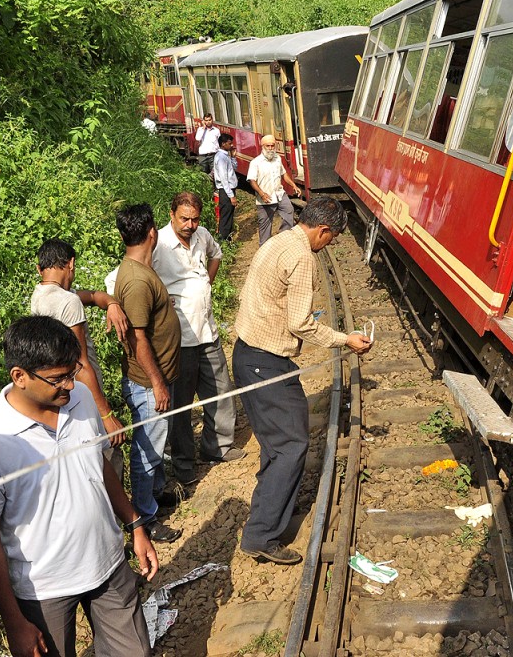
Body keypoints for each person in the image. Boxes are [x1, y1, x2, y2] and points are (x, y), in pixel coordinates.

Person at [0, 316, 158, 657]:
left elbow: (98, 465)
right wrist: (14, 622)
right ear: (19, 376)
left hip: (109, 564)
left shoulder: (81, 397)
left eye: (72, 373)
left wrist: (134, 523)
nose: (69, 385)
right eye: (58, 379)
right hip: (45, 590)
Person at [232, 197, 372, 564]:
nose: (330, 246)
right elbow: (300, 323)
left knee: (279, 442)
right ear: (323, 230)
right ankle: (262, 536)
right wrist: (345, 339)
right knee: (291, 446)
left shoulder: (280, 240)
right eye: (333, 239)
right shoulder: (301, 257)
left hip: (251, 355)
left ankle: (272, 513)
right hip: (266, 362)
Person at [154, 192, 245, 486]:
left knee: (220, 390)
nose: (190, 225)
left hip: (208, 331)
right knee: (180, 405)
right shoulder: (158, 244)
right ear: (171, 214)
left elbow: (217, 254)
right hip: (179, 340)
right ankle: (184, 465)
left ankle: (217, 447)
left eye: (194, 219)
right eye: (184, 219)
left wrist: (207, 280)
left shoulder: (202, 235)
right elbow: (121, 278)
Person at [113, 204, 184, 542]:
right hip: (146, 385)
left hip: (153, 381)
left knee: (155, 443)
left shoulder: (139, 269)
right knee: (146, 451)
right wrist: (158, 383)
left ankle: (155, 494)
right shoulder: (138, 280)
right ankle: (145, 516)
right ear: (152, 233)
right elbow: (138, 339)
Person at [30, 238, 129, 478]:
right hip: (81, 394)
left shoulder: (41, 294)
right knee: (106, 457)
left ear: (39, 269)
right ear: (71, 264)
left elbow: (94, 296)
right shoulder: (68, 301)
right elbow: (81, 364)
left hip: (58, 392)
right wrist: (106, 415)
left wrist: (112, 303)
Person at [247, 134, 301, 246]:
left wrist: (293, 185)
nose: (271, 148)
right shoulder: (255, 163)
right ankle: (264, 249)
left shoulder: (278, 158)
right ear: (262, 146)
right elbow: (252, 180)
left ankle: (283, 238)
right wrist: (261, 194)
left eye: (272, 146)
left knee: (289, 212)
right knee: (265, 227)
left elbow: (284, 174)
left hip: (279, 194)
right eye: (268, 146)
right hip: (265, 198)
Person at [212, 132, 238, 241]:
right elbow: (224, 179)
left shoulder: (226, 156)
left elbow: (234, 168)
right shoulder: (221, 158)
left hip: (229, 190)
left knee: (229, 215)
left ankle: (227, 238)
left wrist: (233, 157)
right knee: (226, 216)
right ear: (223, 144)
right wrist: (231, 195)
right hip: (225, 191)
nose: (231, 145)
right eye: (229, 143)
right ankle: (223, 240)